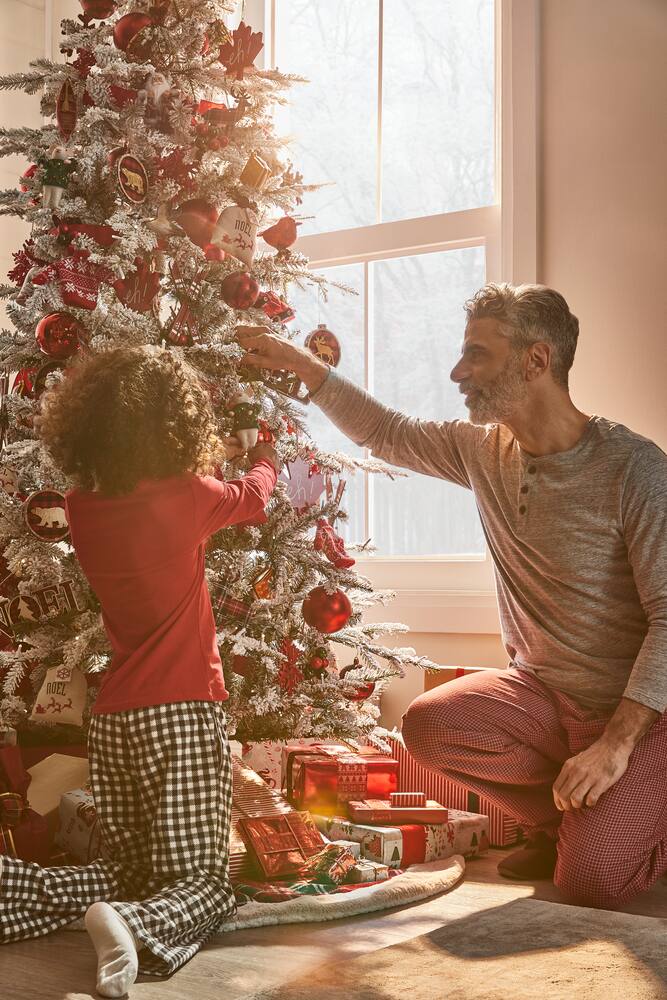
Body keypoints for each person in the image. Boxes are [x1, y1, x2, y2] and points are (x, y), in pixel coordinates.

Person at [237, 282, 667, 908]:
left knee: (591, 883)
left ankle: (634, 818)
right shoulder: (482, 451)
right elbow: (385, 431)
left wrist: (616, 744)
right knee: (430, 724)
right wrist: (308, 368)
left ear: (536, 361)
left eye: (477, 355)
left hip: (640, 716)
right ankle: (561, 824)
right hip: (543, 692)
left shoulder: (635, 469)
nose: (457, 372)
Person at [0, 346, 279, 996]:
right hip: (181, 711)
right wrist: (265, 450)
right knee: (203, 883)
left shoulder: (84, 507)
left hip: (116, 716)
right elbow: (254, 497)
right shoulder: (189, 496)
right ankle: (135, 927)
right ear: (173, 424)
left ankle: (17, 891)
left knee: (126, 866)